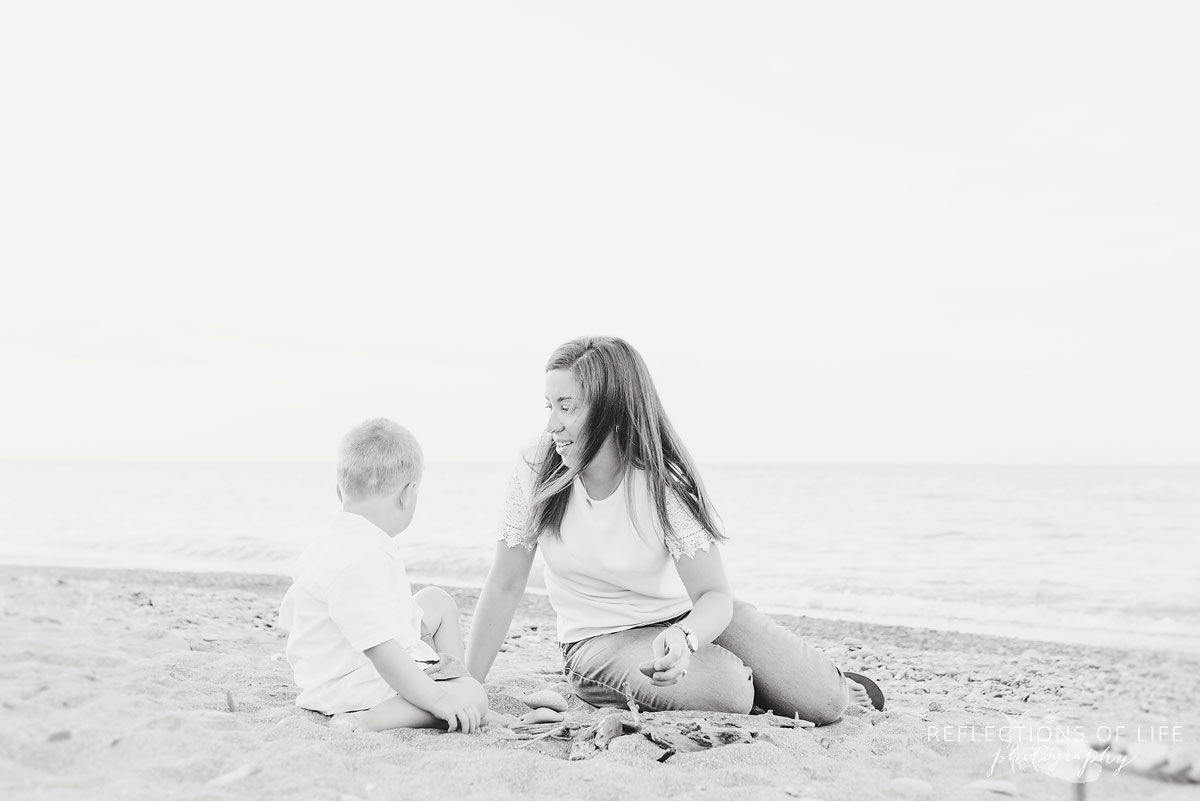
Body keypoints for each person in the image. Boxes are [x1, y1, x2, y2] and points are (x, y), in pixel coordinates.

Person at [465, 337, 881, 723]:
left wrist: (686, 637)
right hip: (599, 640)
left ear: (611, 410)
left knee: (828, 701)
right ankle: (744, 684)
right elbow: (505, 581)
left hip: (684, 617)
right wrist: (469, 685)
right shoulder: (535, 465)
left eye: (567, 407)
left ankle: (790, 682)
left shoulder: (663, 483)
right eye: (549, 405)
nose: (552, 424)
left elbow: (714, 596)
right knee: (730, 692)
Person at [278, 418, 488, 733]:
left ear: (339, 492)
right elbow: (379, 647)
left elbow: (298, 616)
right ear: (408, 494)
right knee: (475, 695)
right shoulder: (361, 557)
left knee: (438, 602)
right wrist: (436, 699)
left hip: (339, 665)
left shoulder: (334, 542)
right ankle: (376, 720)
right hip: (352, 687)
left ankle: (453, 682)